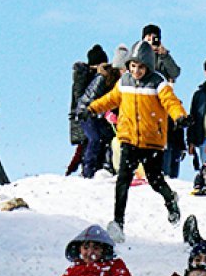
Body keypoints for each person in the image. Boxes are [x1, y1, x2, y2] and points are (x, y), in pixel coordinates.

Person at [88, 41, 188, 242]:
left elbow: (171, 102)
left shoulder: (158, 83)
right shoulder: (124, 81)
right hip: (129, 140)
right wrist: (90, 109)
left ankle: (170, 200)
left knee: (155, 180)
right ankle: (118, 222)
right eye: (133, 66)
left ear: (148, 67)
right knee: (122, 181)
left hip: (152, 141)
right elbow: (110, 99)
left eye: (141, 67)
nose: (136, 70)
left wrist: (180, 116)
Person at [141, 24, 185, 179]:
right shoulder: (138, 56)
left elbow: (175, 72)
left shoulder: (162, 57)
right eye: (148, 37)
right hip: (145, 103)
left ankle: (166, 174)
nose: (152, 41)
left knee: (166, 139)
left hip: (163, 104)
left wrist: (165, 55)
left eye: (155, 37)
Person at [68, 45, 120, 177]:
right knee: (92, 141)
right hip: (85, 115)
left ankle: (102, 168)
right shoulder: (88, 77)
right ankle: (87, 171)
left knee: (103, 140)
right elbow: (82, 100)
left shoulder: (106, 79)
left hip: (97, 115)